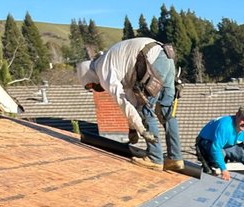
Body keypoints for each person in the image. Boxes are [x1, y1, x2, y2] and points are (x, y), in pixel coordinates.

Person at [76, 38, 183, 173]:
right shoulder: (113, 62)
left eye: (92, 86)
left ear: (89, 77)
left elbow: (122, 102)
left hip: (152, 60)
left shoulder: (103, 70)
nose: (96, 88)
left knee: (145, 109)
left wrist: (141, 129)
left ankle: (155, 158)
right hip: (166, 56)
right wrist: (132, 128)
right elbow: (130, 100)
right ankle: (175, 158)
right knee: (166, 111)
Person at [196, 107, 244, 184]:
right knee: (221, 153)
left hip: (226, 145)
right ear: (237, 115)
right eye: (243, 119)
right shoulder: (225, 126)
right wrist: (223, 169)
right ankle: (211, 164)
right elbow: (216, 148)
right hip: (206, 141)